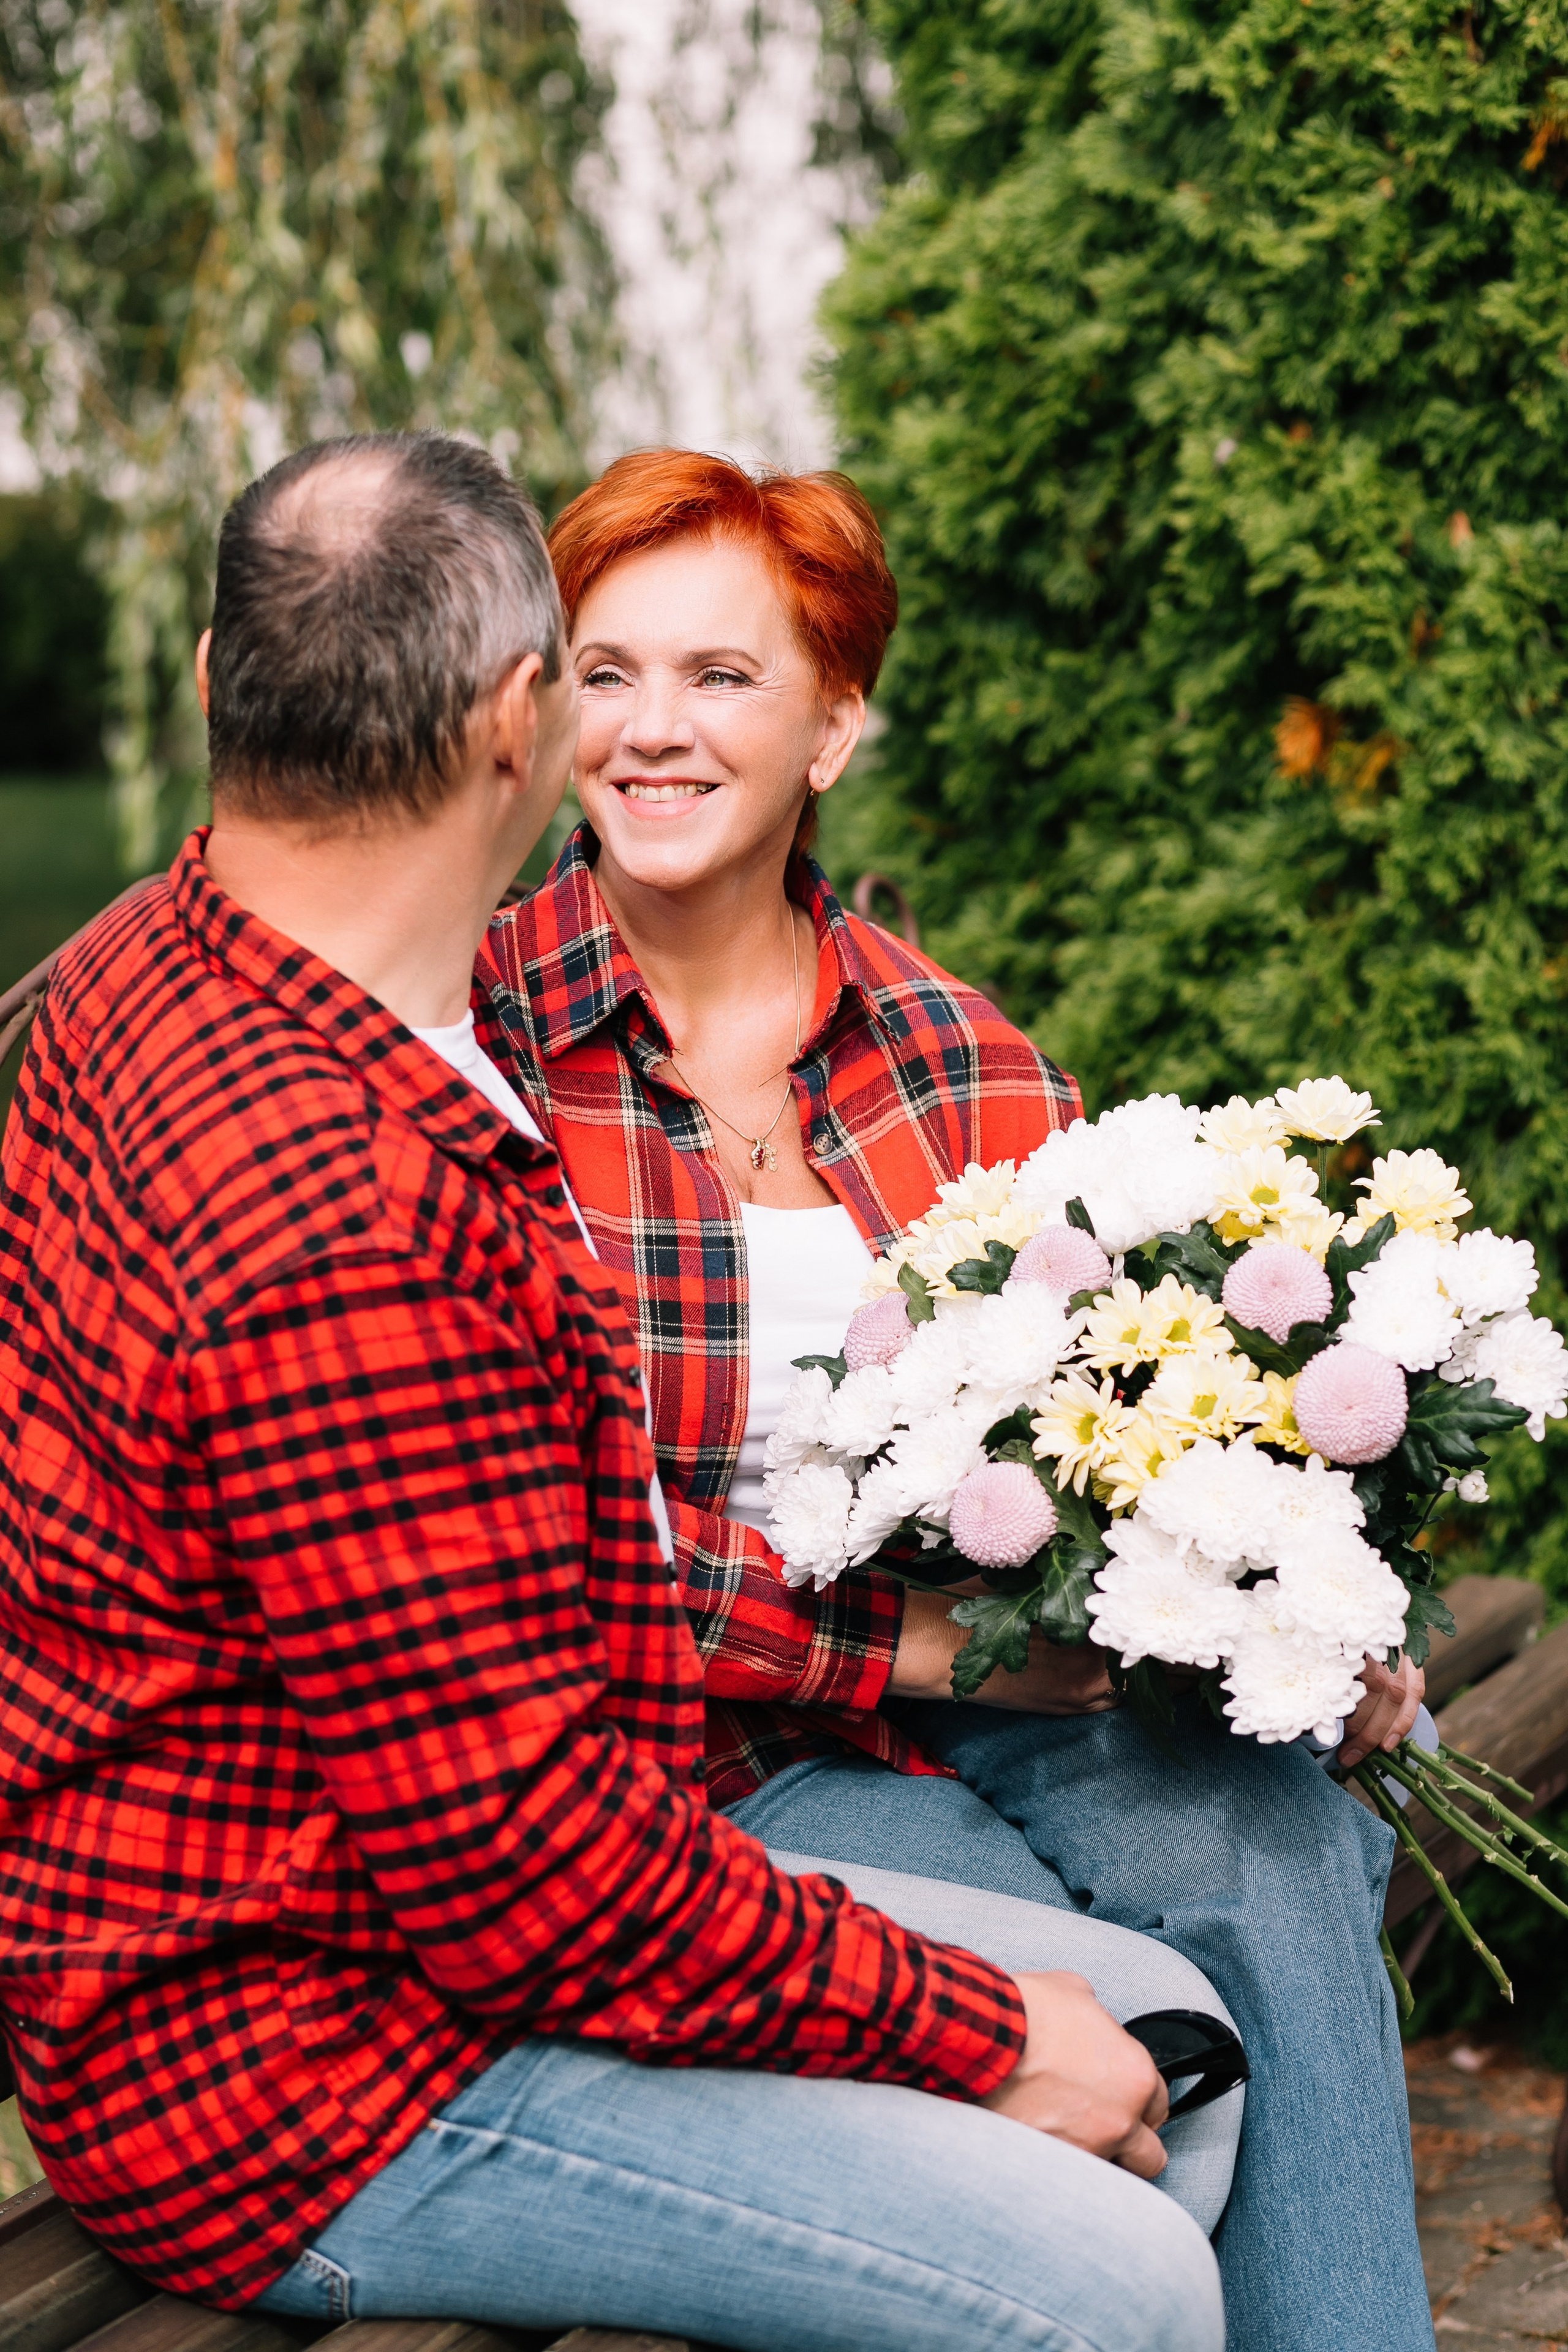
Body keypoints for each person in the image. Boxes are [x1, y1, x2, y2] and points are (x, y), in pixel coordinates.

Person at [0, 431, 1230, 2352]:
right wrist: (980, 2034)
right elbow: (523, 1870)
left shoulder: (157, 961)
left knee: (1170, 2051)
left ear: (219, 676)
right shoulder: (342, 1216)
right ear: (524, 722)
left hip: (413, 1915)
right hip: (312, 2072)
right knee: (1120, 2272)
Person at [481, 448, 1438, 2352]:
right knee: (1109, 2001)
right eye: (606, 673)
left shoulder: (956, 1054)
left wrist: (1296, 1610)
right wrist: (914, 1653)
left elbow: (1126, 1416)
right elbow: (538, 1554)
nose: (653, 730)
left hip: (1000, 1680)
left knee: (1275, 1853)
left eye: (722, 677)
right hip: (701, 1746)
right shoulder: (484, 1050)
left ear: (833, 728)